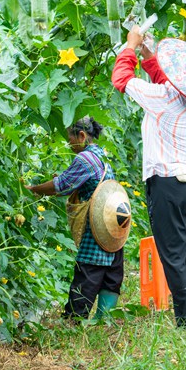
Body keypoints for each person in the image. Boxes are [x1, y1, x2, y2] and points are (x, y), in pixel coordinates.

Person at [111, 27, 186, 332]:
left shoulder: (161, 98)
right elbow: (169, 82)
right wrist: (149, 56)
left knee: (173, 255)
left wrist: (131, 47)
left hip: (169, 184)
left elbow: (121, 79)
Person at [25, 117, 123, 321]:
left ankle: (73, 319)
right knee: (112, 273)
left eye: (69, 137)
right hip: (115, 221)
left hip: (98, 222)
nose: (68, 143)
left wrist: (34, 189)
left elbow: (60, 185)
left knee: (88, 269)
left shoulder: (84, 159)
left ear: (81, 136)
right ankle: (103, 320)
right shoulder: (101, 155)